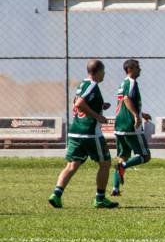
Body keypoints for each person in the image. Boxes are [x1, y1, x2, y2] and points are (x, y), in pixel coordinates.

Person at [49, 59, 118, 209]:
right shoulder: (92, 85)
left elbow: (82, 103)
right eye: (103, 71)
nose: (104, 74)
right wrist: (98, 116)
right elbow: (79, 103)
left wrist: (100, 106)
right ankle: (100, 199)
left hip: (75, 132)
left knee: (72, 165)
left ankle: (56, 194)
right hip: (90, 134)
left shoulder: (83, 84)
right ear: (98, 71)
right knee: (105, 163)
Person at [111, 58, 152, 197]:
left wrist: (141, 113)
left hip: (119, 125)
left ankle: (115, 189)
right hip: (130, 125)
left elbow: (125, 102)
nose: (140, 69)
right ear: (130, 69)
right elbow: (126, 99)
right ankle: (123, 167)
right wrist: (136, 116)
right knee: (145, 156)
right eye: (137, 67)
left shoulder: (123, 83)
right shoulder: (131, 82)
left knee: (122, 156)